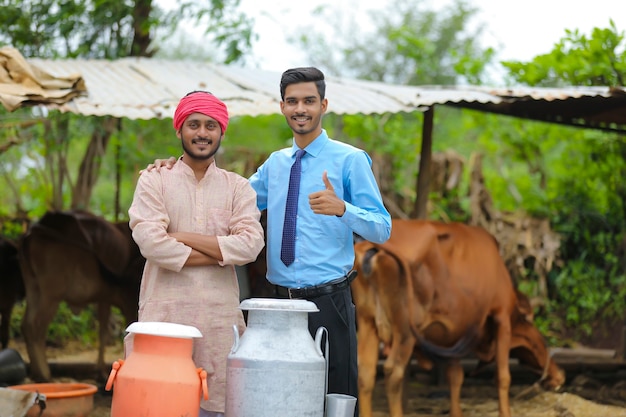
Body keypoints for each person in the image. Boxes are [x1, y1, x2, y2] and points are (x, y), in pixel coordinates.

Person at [146, 67, 391, 416]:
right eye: (292, 101)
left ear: (323, 104)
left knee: (335, 402)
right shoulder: (275, 165)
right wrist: (178, 168)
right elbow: (227, 199)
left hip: (328, 302)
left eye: (308, 101)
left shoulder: (349, 160)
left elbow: (382, 228)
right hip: (276, 309)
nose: (300, 109)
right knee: (278, 402)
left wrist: (343, 209)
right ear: (282, 107)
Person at [128, 91, 265, 417]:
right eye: (194, 124)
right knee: (157, 404)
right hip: (165, 319)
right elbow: (151, 244)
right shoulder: (154, 180)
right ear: (179, 130)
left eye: (211, 126)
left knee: (217, 405)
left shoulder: (238, 188)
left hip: (218, 323)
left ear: (221, 132)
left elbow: (250, 245)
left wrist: (183, 237)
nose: (202, 133)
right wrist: (222, 249)